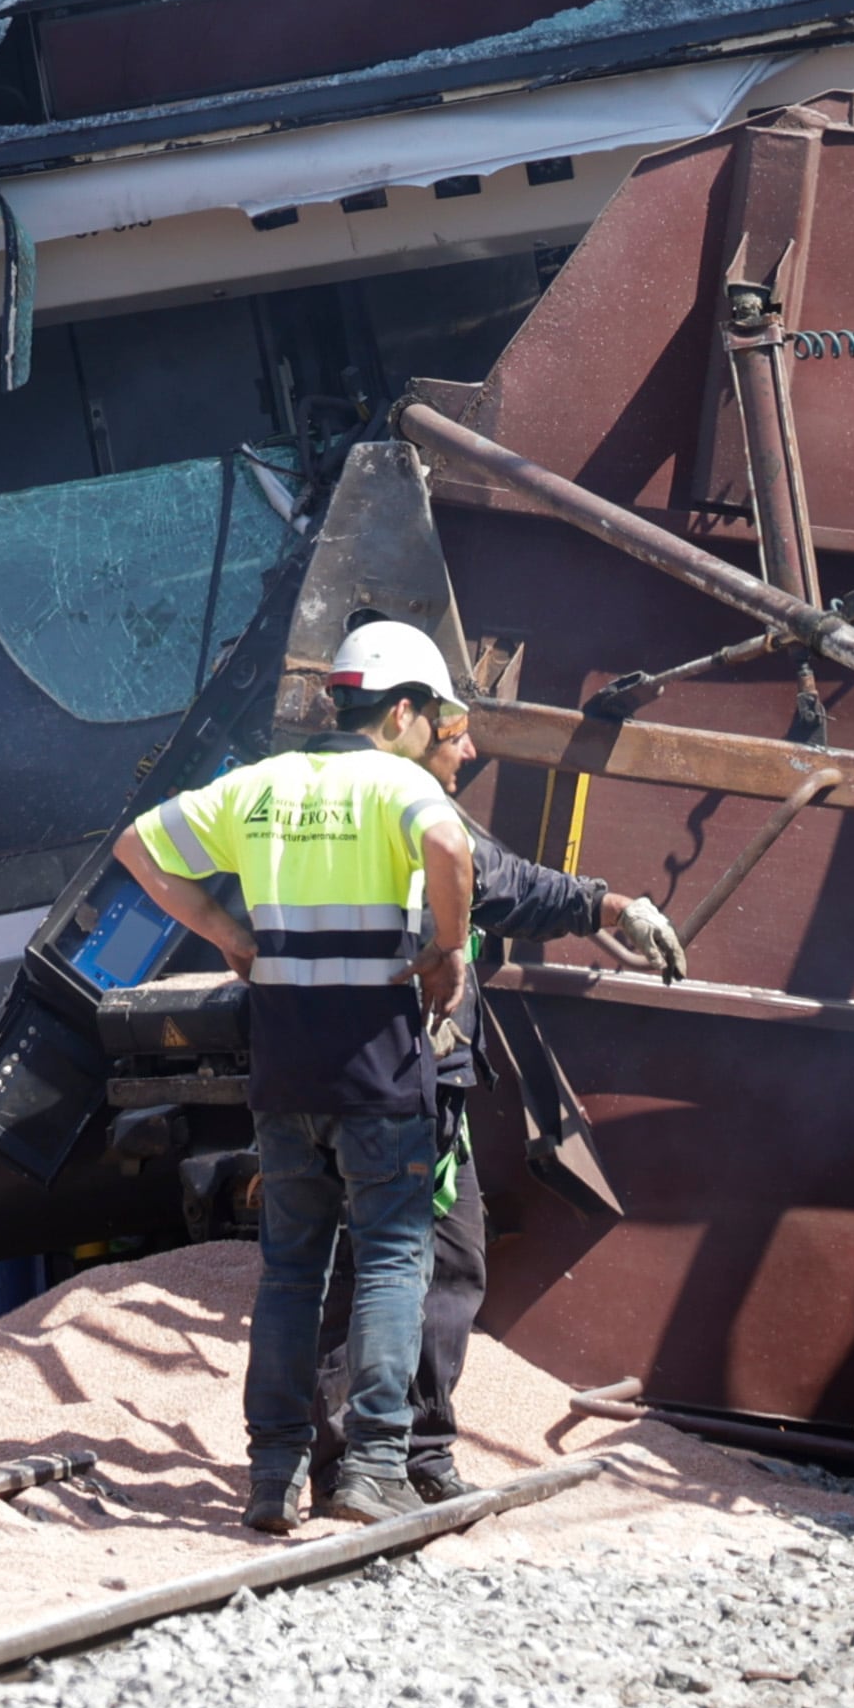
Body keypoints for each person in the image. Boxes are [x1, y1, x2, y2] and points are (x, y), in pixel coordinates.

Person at [108, 617, 479, 1533]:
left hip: (283, 1068)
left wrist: (229, 933)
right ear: (402, 712)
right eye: (435, 718)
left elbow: (137, 849)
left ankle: (273, 1475)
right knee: (394, 1258)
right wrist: (446, 951)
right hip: (376, 1066)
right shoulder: (400, 784)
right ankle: (373, 1467)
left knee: (289, 1271)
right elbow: (454, 852)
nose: (440, 736)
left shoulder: (261, 785)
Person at [317, 800, 687, 1505]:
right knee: (368, 1266)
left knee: (453, 1263)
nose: (469, 749)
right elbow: (495, 881)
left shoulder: (411, 806)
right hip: (375, 1081)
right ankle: (348, 1462)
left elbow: (503, 880)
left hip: (433, 1085)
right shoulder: (383, 806)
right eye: (455, 731)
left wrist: (610, 908)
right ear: (408, 718)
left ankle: (420, 1453)